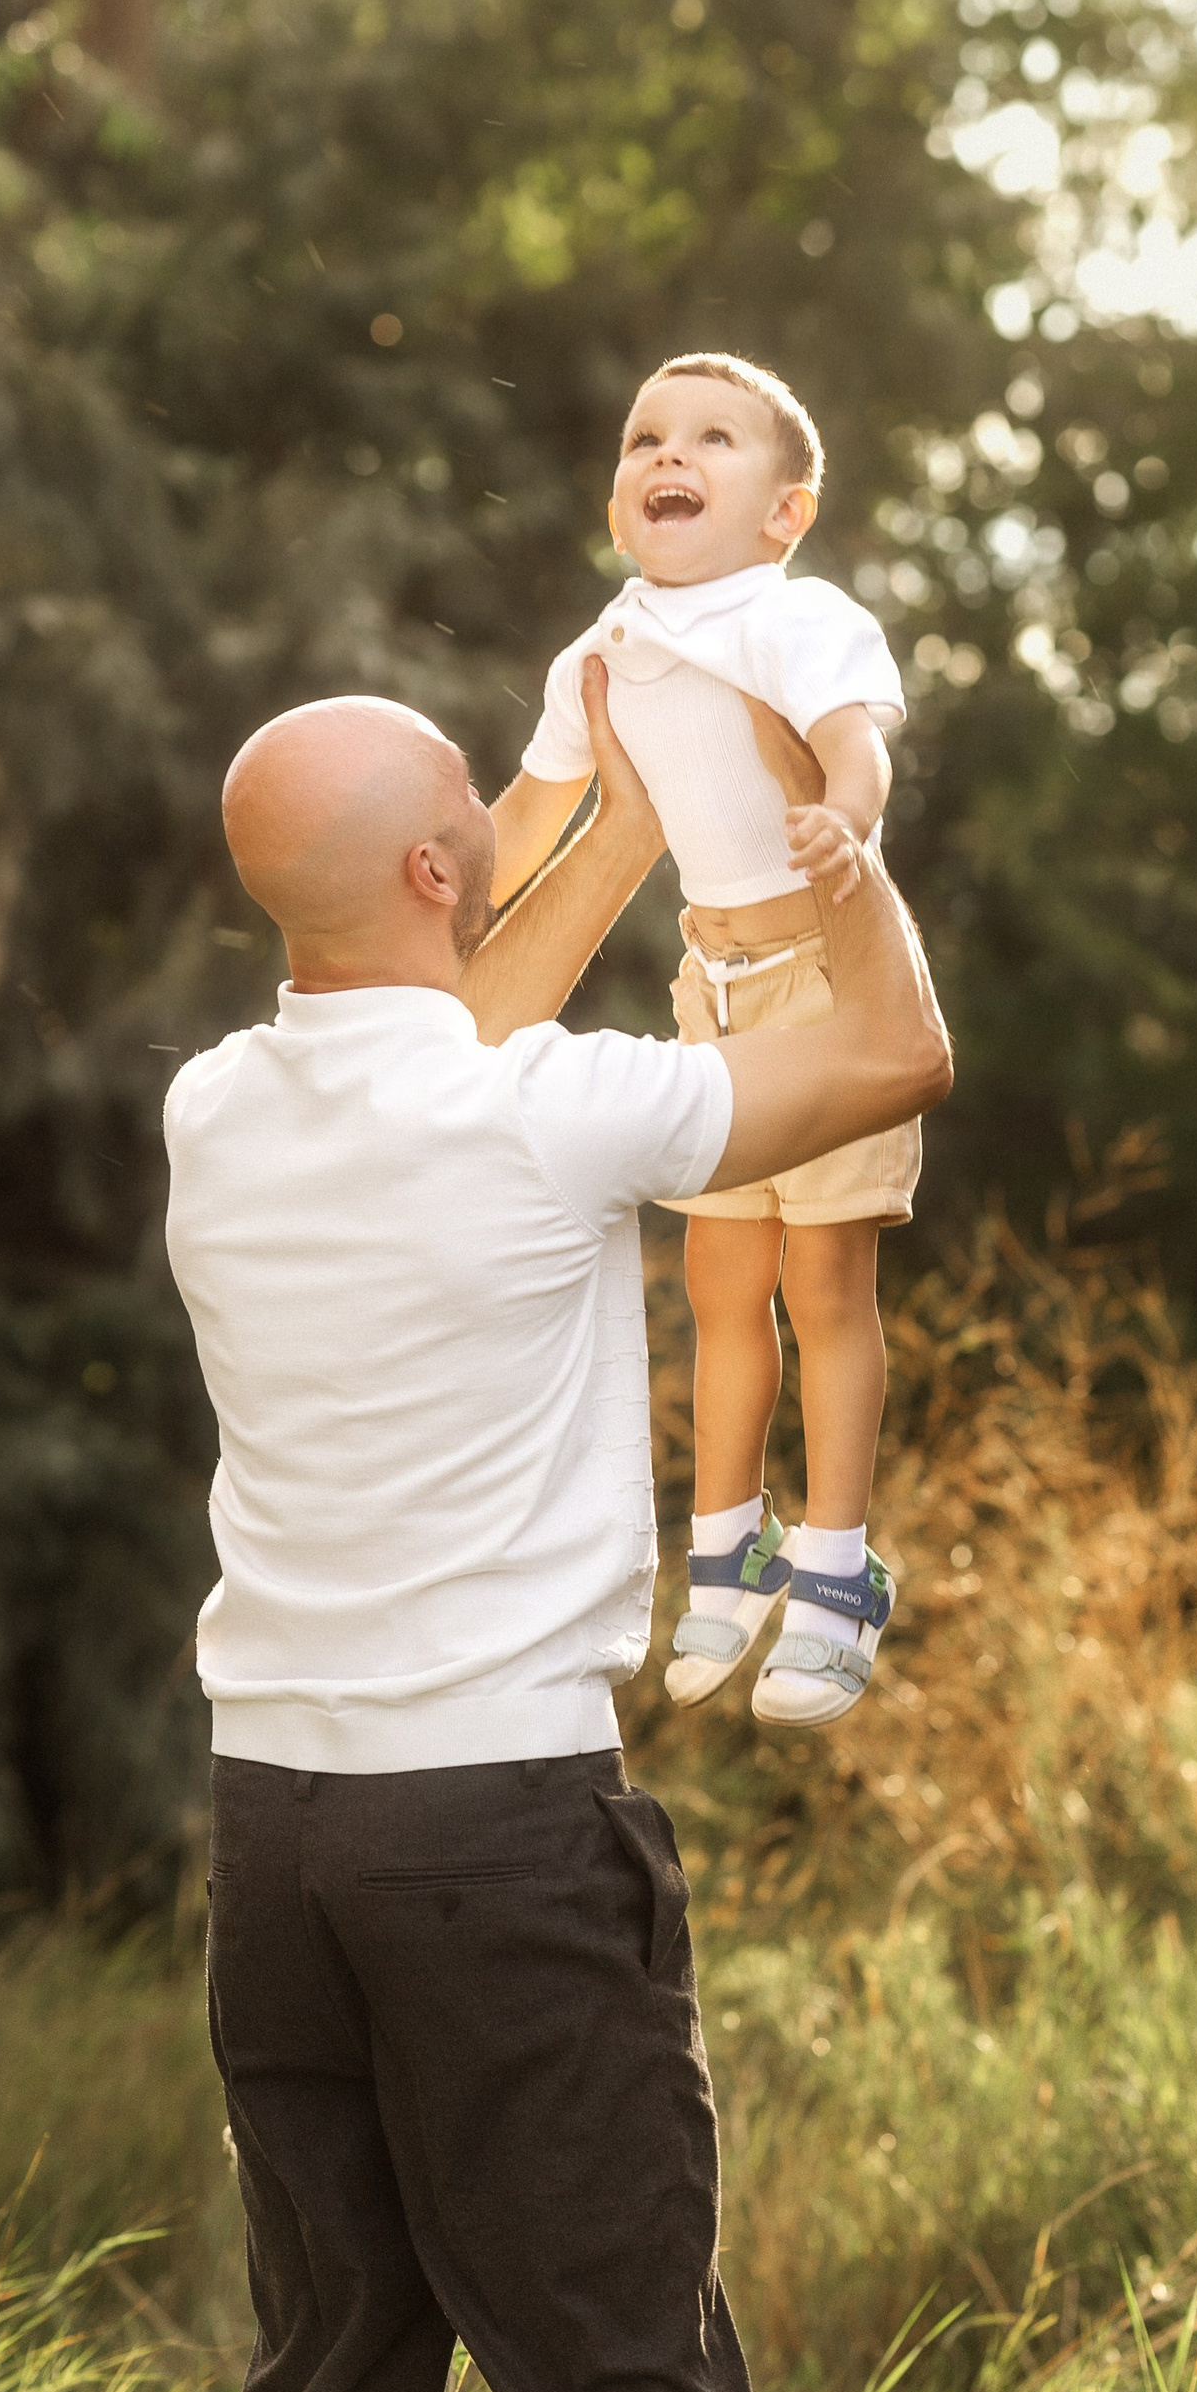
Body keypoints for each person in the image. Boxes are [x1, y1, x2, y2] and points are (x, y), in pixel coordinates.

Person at [162, 653, 951, 2392]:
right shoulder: (548, 1119)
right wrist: (834, 853)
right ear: (435, 870)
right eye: (474, 834)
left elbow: (447, 995)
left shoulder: (217, 1108)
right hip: (496, 1845)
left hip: (278, 1848)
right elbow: (890, 1060)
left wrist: (584, 793)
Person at [489, 353, 917, 1730]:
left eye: (714, 439)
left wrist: (842, 818)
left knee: (825, 1284)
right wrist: (434, 920)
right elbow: (527, 814)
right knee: (721, 1279)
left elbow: (862, 749)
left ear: (784, 513)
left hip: (823, 978)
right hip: (713, 986)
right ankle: (726, 1543)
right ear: (620, 497)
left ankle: (840, 1572)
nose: (670, 454)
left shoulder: (798, 620)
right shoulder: (598, 657)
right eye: (645, 439)